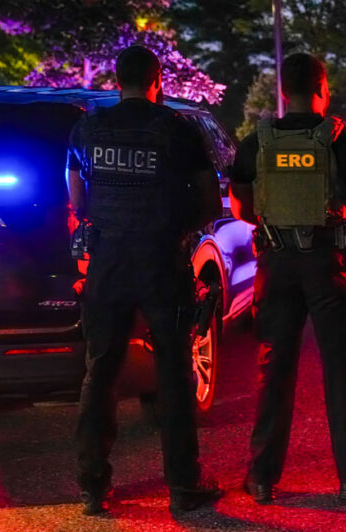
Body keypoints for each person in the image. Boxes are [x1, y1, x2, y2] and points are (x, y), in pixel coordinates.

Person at [67, 45, 224, 515]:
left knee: (101, 371)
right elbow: (210, 203)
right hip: (161, 260)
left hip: (109, 261)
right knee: (174, 373)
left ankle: (92, 485)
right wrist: (178, 230)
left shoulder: (88, 128)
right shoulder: (177, 129)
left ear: (118, 80)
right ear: (158, 80)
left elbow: (78, 196)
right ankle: (183, 487)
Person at [229, 52, 346, 504]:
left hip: (276, 265)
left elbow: (242, 209)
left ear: (282, 92)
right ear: (324, 89)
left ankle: (261, 479)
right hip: (330, 264)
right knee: (341, 372)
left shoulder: (255, 143)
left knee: (273, 370)